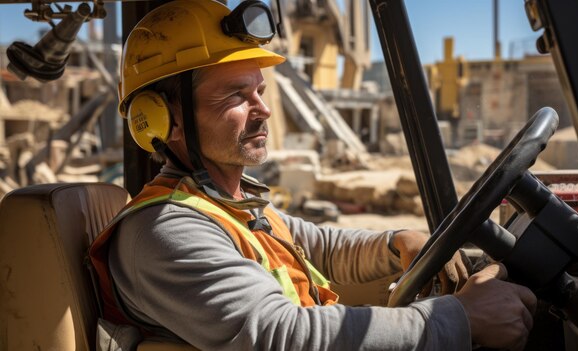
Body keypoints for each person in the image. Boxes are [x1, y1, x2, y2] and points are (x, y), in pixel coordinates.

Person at [90, 0, 537, 350]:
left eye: (260, 90)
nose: (264, 109)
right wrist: (461, 319)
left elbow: (316, 247)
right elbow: (283, 337)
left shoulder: (231, 205)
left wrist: (396, 241)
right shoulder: (166, 229)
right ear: (163, 120)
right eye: (236, 95)